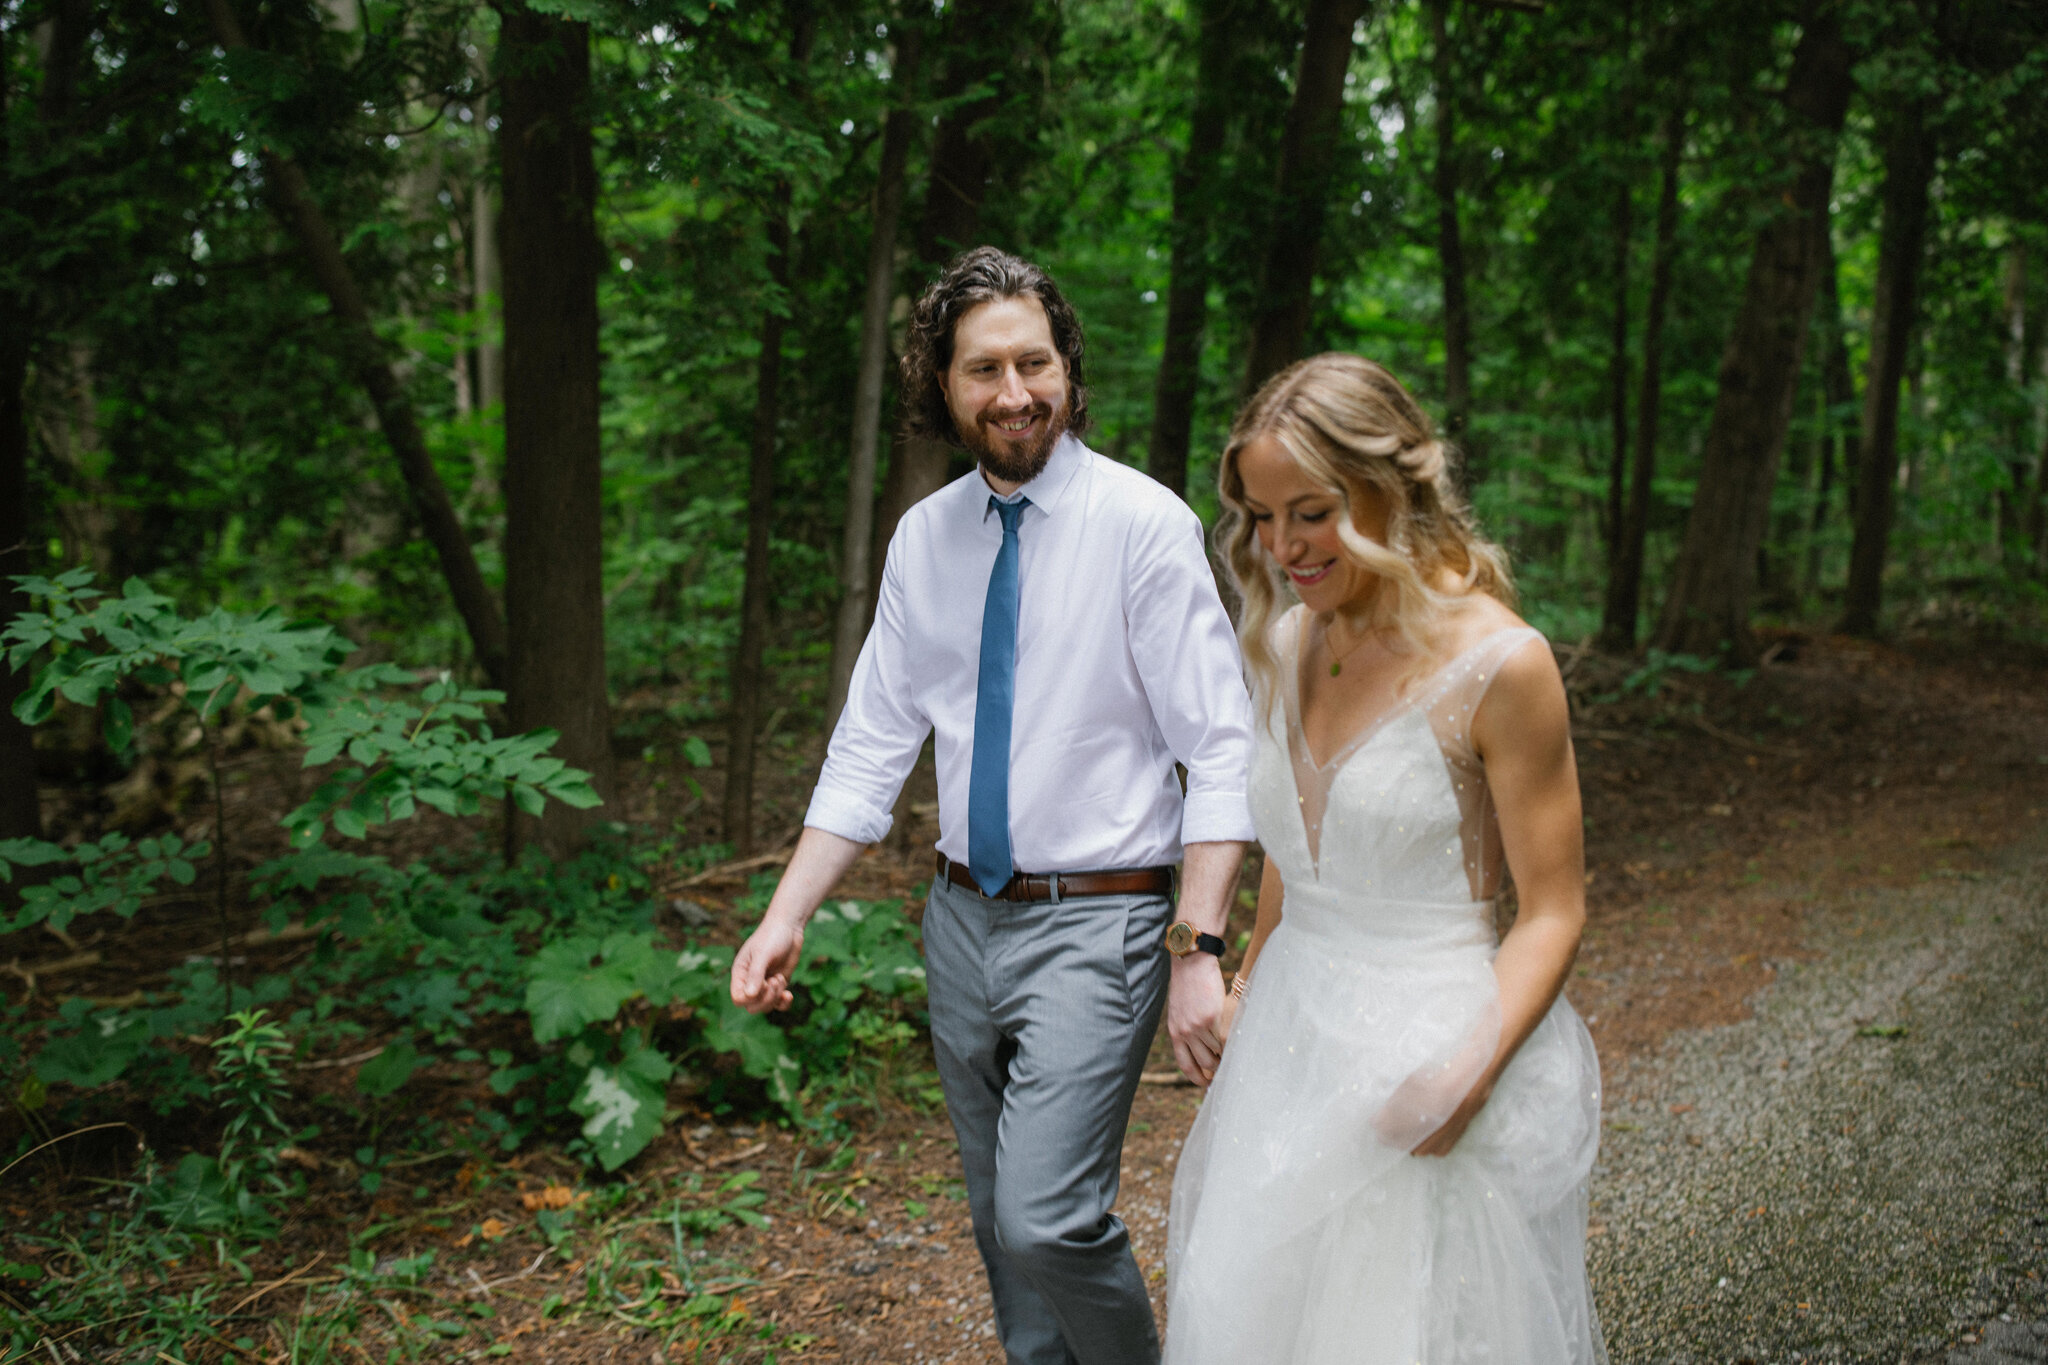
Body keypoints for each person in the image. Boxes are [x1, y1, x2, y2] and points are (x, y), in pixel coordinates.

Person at [730, 246, 1255, 1365]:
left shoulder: (1141, 525)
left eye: (1032, 362)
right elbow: (871, 747)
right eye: (982, 370)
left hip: (1097, 919)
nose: (1012, 392)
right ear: (942, 384)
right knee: (993, 1222)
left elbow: (1219, 751)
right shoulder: (925, 539)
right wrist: (786, 914)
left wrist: (1197, 945)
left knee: (1047, 1218)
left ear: (1067, 367)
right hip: (960, 924)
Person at [1164, 353, 1604, 1364]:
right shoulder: (1282, 639)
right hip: (1285, 1048)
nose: (1279, 548)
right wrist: (1247, 976)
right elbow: (1300, 843)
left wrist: (1464, 1074)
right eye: (1261, 519)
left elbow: (1552, 911)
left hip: (1424, 1047)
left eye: (1309, 513)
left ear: (1389, 487)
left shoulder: (1500, 663)